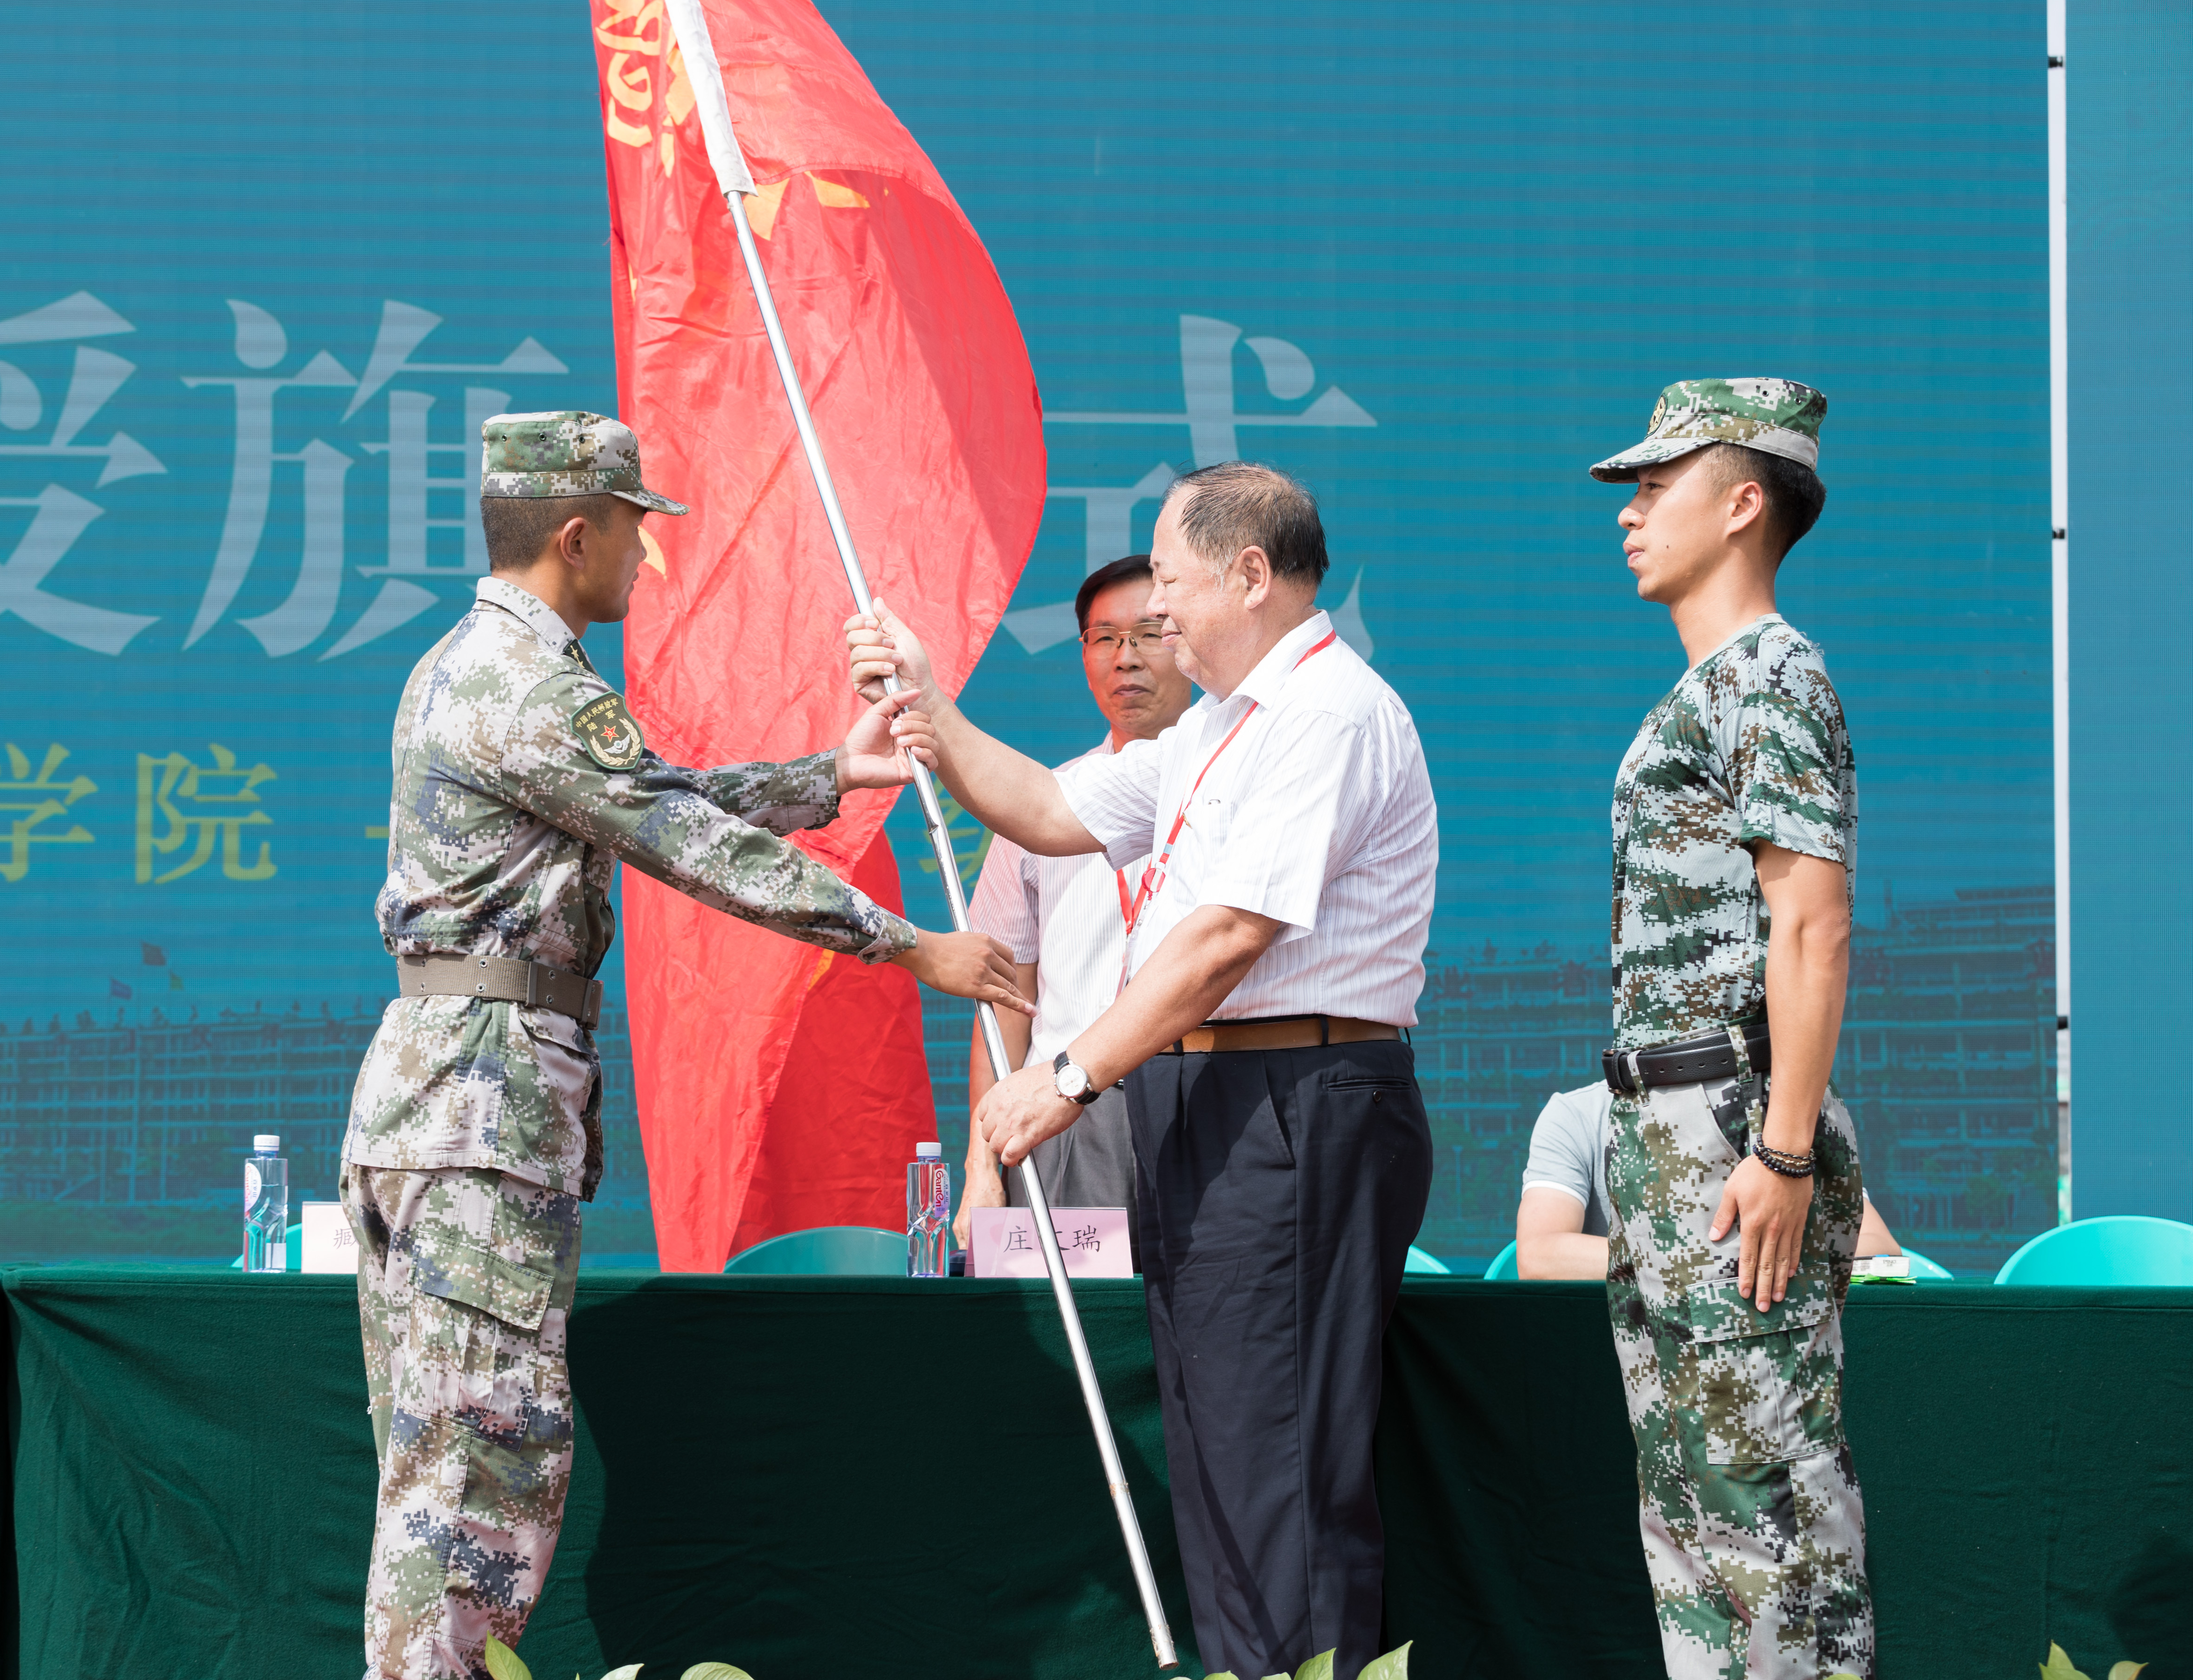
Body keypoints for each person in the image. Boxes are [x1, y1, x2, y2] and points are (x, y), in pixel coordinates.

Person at [341, 410, 1029, 1680]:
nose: (643, 557)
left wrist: (832, 775)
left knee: (440, 1465)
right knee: (475, 1474)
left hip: (440, 1097)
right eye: (632, 531)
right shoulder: (533, 686)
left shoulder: (472, 669)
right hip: (481, 1109)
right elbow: (686, 841)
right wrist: (907, 945)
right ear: (575, 535)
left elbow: (645, 801)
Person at [848, 461, 1437, 1680]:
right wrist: (928, 703)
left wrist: (1066, 1075)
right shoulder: (1214, 731)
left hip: (1295, 1101)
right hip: (1210, 1103)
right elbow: (1046, 808)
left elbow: (1225, 941)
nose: (1155, 610)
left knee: (1277, 1468)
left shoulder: (1326, 713)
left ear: (1251, 574)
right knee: (1221, 1460)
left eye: (1169, 580)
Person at [1589, 379, 1874, 1678]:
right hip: (1665, 1132)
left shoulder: (1770, 675)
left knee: (1764, 1501)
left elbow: (1811, 924)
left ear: (1742, 502)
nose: (1630, 515)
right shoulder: (1711, 688)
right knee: (1692, 1505)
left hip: (1731, 1131)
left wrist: (1785, 1148)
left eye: (1657, 487)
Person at [957, 553, 1195, 1259]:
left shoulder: (1232, 792)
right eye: (1105, 639)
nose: (1127, 659)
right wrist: (981, 1168)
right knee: (1078, 1324)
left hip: (1205, 1104)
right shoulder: (1038, 811)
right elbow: (1004, 1004)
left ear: (1189, 641)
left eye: (1148, 634)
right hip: (1067, 1116)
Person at [1515, 1080, 1899, 1280]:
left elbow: (1879, 1247)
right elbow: (1539, 1256)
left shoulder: (1781, 1117)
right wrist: (1710, 1264)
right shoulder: (1577, 1115)